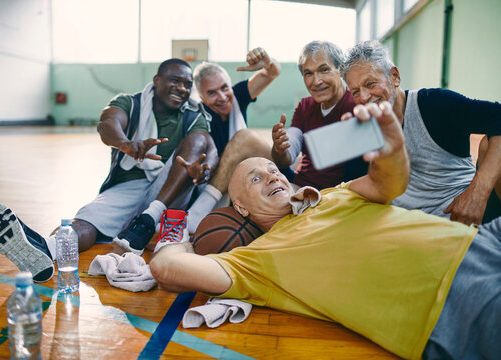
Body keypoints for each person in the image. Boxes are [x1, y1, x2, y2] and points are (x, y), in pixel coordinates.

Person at [149, 102, 500, 360]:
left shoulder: (332, 194)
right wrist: (180, 235)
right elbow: (166, 268)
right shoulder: (253, 263)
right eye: (255, 178)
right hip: (452, 301)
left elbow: (388, 183)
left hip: (484, 239)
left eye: (273, 169)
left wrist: (391, 150)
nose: (272, 176)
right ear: (239, 208)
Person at [0, 58, 217, 282]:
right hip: (129, 184)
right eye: (175, 80)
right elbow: (107, 123)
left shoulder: (193, 114)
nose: (182, 89)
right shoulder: (131, 102)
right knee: (85, 224)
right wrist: (125, 143)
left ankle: (148, 219)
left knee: (199, 140)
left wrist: (200, 172)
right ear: (157, 80)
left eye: (187, 84)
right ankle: (45, 248)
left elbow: (205, 146)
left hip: (170, 192)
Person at [341, 40, 501, 225]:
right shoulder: (360, 130)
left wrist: (477, 193)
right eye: (355, 92)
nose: (364, 97)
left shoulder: (434, 104)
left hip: (467, 216)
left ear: (394, 77)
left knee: (489, 143)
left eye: (370, 84)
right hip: (416, 233)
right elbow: (354, 187)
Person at [185, 47, 283, 232]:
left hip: (259, 177)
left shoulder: (238, 96)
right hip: (227, 188)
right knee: (245, 139)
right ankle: (199, 212)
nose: (222, 97)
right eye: (212, 93)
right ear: (201, 97)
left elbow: (273, 72)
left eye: (224, 88)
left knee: (248, 139)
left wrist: (268, 63)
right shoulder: (198, 117)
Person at [271, 40, 368, 190]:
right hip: (299, 184)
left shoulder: (356, 106)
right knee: (248, 146)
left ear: (340, 70)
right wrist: (280, 148)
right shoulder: (305, 105)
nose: (316, 81)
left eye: (324, 70)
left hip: (333, 196)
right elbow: (287, 157)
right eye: (308, 73)